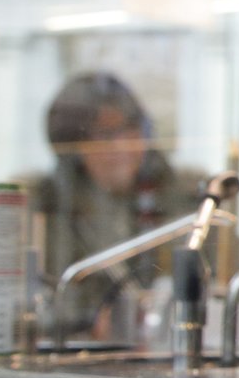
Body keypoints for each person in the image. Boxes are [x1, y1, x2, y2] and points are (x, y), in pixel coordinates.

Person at [27, 72, 204, 337]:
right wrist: (87, 322)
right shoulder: (47, 204)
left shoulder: (186, 195)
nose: (124, 146)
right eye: (105, 135)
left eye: (131, 129)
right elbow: (42, 299)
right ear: (73, 148)